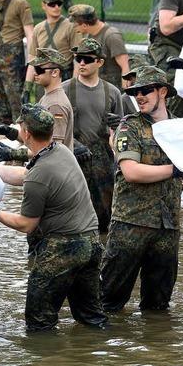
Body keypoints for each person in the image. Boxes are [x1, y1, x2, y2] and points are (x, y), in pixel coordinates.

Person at [0, 104, 107, 331]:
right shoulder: (61, 151)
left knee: (38, 320)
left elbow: (26, 224)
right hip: (91, 244)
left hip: (64, 249)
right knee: (91, 316)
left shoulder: (39, 176)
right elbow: (26, 174)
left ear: (25, 133)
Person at [101, 66, 183, 312]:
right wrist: (174, 170)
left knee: (158, 307)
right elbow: (131, 171)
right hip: (130, 226)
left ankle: (156, 350)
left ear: (162, 91)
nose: (139, 97)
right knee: (109, 303)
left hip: (167, 229)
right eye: (135, 92)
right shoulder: (129, 127)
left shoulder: (180, 130)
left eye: (145, 91)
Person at [63, 38, 123, 233]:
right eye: (78, 58)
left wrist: (119, 125)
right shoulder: (63, 90)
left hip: (103, 165)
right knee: (71, 213)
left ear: (100, 62)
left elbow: (123, 135)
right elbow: (51, 130)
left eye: (87, 59)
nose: (81, 63)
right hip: (72, 160)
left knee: (104, 217)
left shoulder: (112, 92)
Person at [0, 48, 74, 163]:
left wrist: (13, 154)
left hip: (55, 170)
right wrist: (7, 131)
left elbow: (53, 149)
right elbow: (39, 139)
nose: (35, 73)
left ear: (55, 72)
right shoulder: (48, 97)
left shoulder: (56, 104)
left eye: (39, 69)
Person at [23, 0, 81, 103]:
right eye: (52, 4)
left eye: (59, 4)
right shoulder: (38, 28)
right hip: (42, 77)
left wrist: (74, 85)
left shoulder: (70, 26)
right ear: (43, 5)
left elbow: (78, 59)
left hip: (63, 78)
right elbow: (32, 59)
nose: (56, 7)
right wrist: (27, 88)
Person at [68, 4, 129, 90]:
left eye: (75, 26)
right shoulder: (87, 36)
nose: (74, 29)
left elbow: (125, 66)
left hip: (112, 88)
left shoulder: (112, 36)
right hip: (95, 87)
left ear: (85, 25)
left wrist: (124, 92)